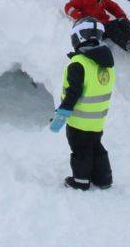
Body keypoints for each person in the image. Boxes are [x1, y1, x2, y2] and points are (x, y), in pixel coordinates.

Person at [50, 17, 116, 191]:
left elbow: (74, 93)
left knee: (81, 151)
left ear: (78, 37)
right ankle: (103, 179)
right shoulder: (106, 63)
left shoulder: (79, 63)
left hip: (79, 120)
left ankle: (80, 181)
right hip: (97, 120)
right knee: (96, 147)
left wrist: (62, 114)